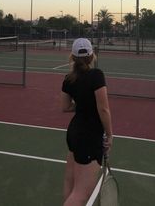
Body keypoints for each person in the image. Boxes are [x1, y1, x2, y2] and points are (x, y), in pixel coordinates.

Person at [61, 38, 113, 206]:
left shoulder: (68, 79)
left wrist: (83, 103)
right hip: (89, 138)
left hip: (74, 134)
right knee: (82, 194)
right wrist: (110, 135)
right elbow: (103, 109)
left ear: (73, 57)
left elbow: (66, 107)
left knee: (71, 184)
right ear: (91, 56)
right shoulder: (96, 75)